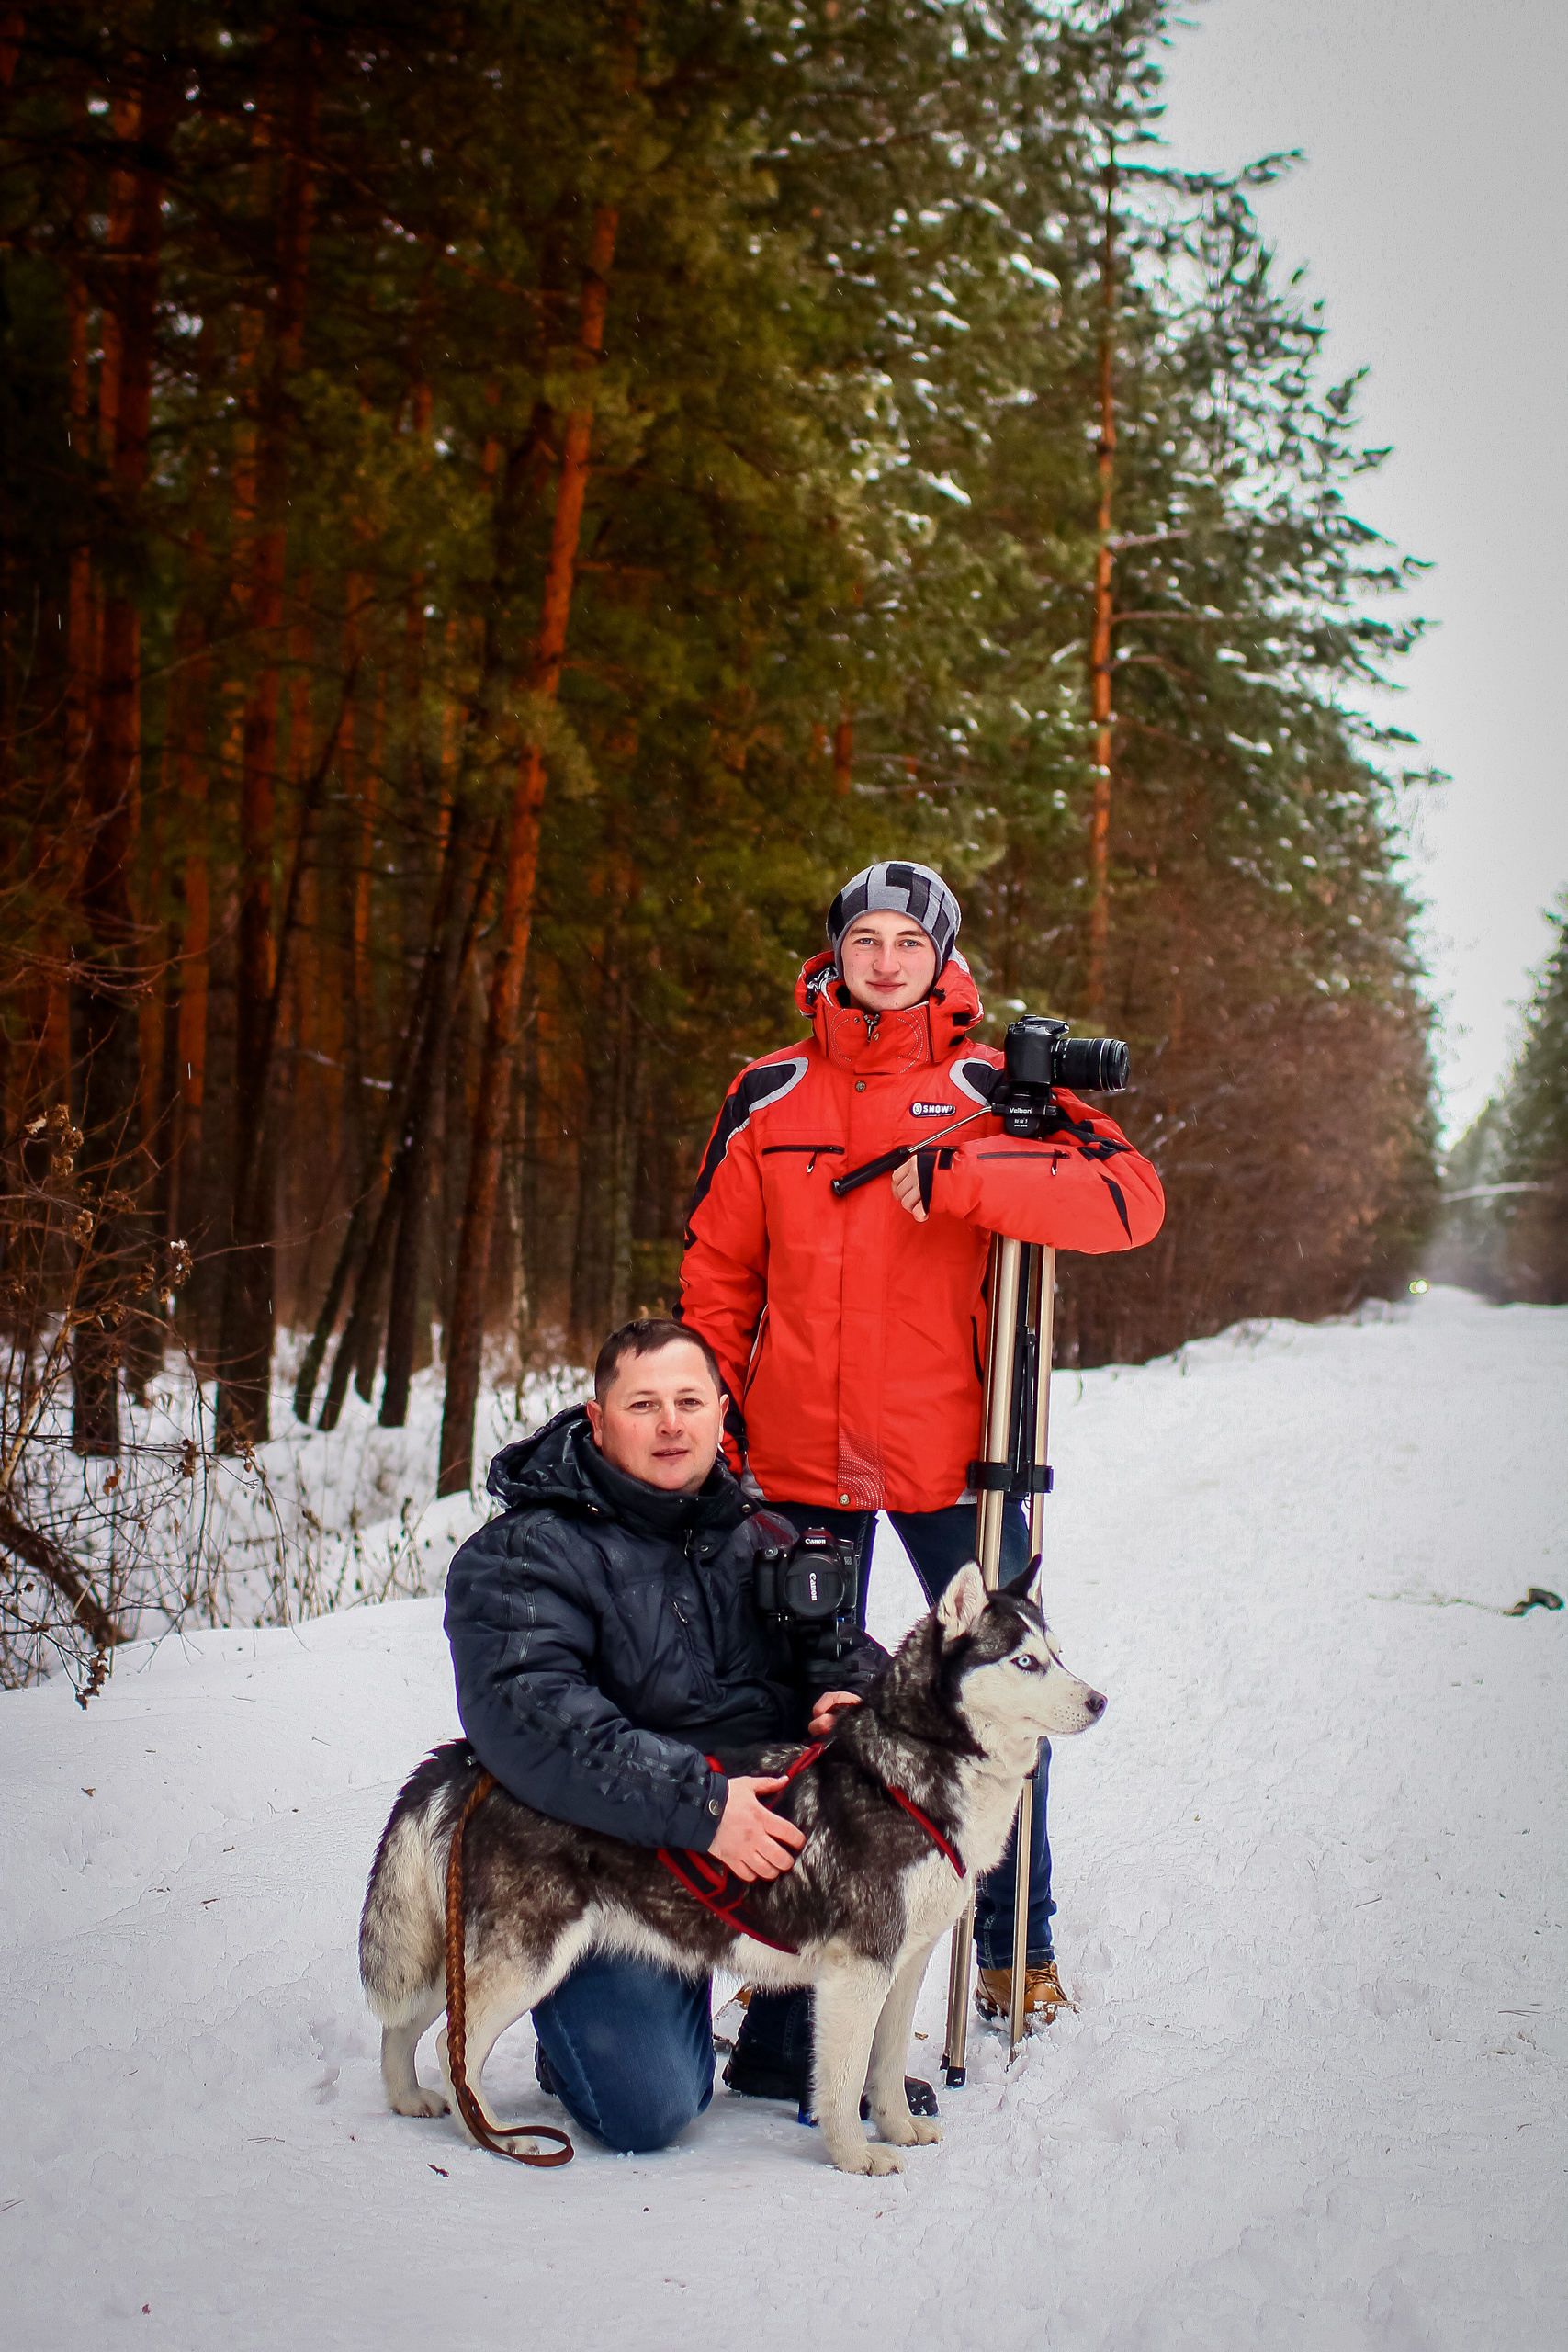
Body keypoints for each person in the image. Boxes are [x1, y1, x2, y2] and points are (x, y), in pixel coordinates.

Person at [676, 860, 1165, 2098]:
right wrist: (713, 1416)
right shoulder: (768, 1092)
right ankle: (789, 1979)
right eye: (866, 939)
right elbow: (717, 1276)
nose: (885, 961)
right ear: (834, 954)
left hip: (956, 1456)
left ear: (940, 958)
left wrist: (968, 1174)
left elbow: (1126, 1202)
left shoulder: (992, 1090)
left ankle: (1013, 1951)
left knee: (998, 1703)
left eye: (908, 941)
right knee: (799, 1717)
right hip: (796, 1455)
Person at [442, 1316, 886, 2154]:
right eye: (643, 1404)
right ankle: (579, 2023)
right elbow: (531, 1715)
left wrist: (852, 1697)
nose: (671, 1424)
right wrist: (701, 1807)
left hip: (756, 1839)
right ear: (598, 1418)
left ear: (721, 1412)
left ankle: (783, 2046)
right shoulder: (525, 1554)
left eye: (689, 1401)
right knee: (649, 2110)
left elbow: (845, 1652)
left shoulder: (762, 1537)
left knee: (871, 1809)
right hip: (606, 1861)